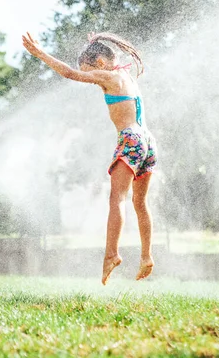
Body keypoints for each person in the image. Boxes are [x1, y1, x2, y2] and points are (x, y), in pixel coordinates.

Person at [22, 32, 157, 285]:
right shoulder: (126, 75)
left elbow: (69, 74)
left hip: (130, 138)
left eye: (89, 72)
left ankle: (112, 254)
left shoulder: (109, 76)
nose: (90, 78)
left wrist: (40, 53)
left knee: (116, 198)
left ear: (101, 64)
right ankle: (146, 256)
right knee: (140, 202)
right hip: (148, 140)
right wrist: (96, 41)